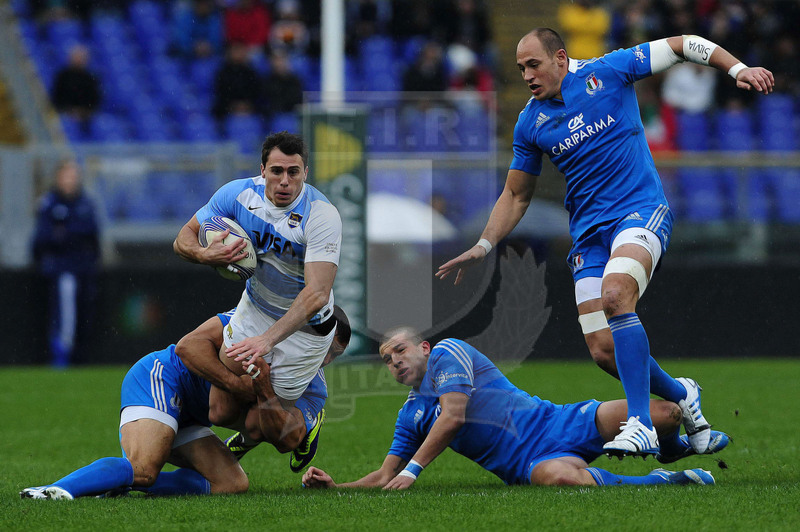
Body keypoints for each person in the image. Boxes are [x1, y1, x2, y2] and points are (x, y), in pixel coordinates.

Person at [436, 28, 773, 458]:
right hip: (589, 235)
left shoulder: (609, 70)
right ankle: (682, 395)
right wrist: (484, 245)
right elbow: (517, 194)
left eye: (533, 64)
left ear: (560, 57)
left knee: (616, 296)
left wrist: (738, 68)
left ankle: (641, 424)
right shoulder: (530, 121)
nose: (526, 75)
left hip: (639, 211)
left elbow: (682, 44)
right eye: (521, 68)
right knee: (603, 350)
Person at [302, 328, 729, 490]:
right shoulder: (410, 416)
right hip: (534, 460)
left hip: (559, 419)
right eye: (385, 358)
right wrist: (336, 487)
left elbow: (454, 416)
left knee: (668, 414)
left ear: (424, 348)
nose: (393, 360)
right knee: (561, 480)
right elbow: (383, 475)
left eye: (399, 350)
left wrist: (414, 471)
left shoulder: (450, 352)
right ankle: (664, 479)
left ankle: (670, 446)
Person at [19, 307, 350, 500]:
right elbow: (187, 349)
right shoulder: (252, 323)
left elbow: (282, 440)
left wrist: (263, 388)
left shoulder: (314, 388)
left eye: (335, 355)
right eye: (324, 346)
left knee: (233, 484)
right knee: (145, 470)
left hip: (194, 415)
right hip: (164, 378)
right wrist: (237, 384)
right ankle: (54, 491)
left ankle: (117, 482)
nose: (325, 358)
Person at [173, 132, 342, 430]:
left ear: (306, 172)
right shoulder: (237, 195)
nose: (285, 181)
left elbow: (317, 293)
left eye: (293, 172)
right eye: (276, 171)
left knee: (276, 429)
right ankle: (252, 430)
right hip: (255, 308)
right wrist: (203, 254)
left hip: (306, 329)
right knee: (220, 413)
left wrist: (267, 340)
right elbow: (183, 238)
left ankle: (300, 424)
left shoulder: (321, 215)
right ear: (263, 170)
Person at [32, 159, 101, 367]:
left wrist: (66, 232)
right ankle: (61, 355)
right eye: (67, 175)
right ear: (58, 177)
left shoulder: (86, 202)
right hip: (62, 270)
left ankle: (80, 357)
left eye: (74, 175)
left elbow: (92, 234)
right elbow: (43, 239)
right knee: (64, 314)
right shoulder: (49, 202)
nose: (72, 180)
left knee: (85, 315)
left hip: (84, 269)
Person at [51, 44, 102, 123]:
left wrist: (83, 112)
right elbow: (56, 96)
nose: (78, 60)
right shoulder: (62, 76)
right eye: (76, 57)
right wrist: (69, 110)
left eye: (81, 57)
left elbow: (94, 100)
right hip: (64, 113)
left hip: (85, 117)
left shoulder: (90, 78)